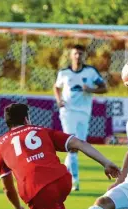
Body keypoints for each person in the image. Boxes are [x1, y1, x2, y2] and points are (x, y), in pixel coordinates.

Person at [53, 44, 108, 191]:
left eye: (80, 54)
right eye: (75, 53)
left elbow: (104, 88)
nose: (78, 56)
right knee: (73, 146)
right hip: (68, 112)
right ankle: (75, 180)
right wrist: (59, 100)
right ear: (71, 55)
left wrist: (90, 89)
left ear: (84, 56)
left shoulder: (90, 72)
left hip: (84, 113)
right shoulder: (64, 72)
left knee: (79, 145)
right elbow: (56, 87)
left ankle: (61, 175)